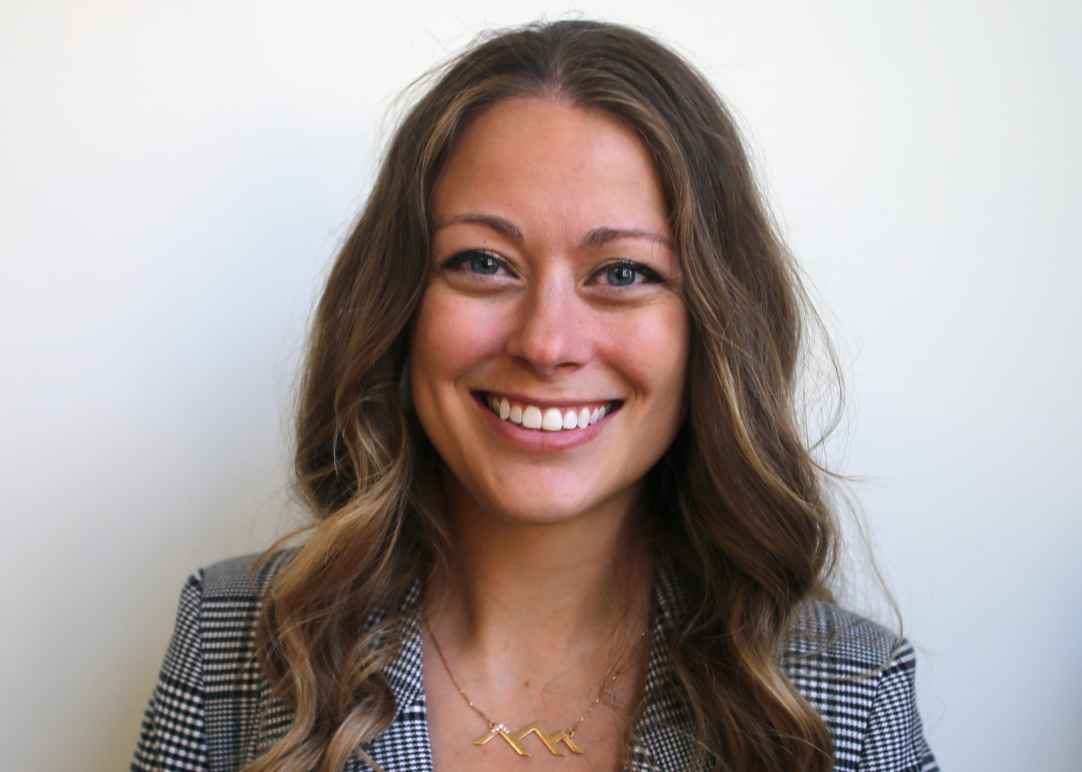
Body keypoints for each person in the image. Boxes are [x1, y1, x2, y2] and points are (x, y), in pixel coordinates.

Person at [131, 19, 938, 772]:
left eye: (623, 274)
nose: (547, 343)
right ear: (399, 304)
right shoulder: (231, 640)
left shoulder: (844, 692)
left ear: (714, 329)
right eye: (484, 262)